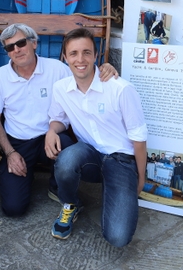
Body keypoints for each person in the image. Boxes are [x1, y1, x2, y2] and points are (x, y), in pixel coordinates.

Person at [0, 23, 117, 217]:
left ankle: (58, 186)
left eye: (21, 43)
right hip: (18, 143)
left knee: (66, 146)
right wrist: (9, 153)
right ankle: (21, 175)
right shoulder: (0, 77)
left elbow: (84, 75)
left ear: (34, 44)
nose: (16, 50)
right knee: (13, 208)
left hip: (51, 135)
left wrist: (105, 69)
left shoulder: (56, 69)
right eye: (10, 47)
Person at [45, 28, 147, 247]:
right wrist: (51, 131)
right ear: (64, 57)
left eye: (86, 52)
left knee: (118, 238)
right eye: (73, 53)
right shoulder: (61, 88)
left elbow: (139, 140)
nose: (80, 59)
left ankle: (116, 191)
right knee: (67, 158)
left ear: (95, 55)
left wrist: (140, 180)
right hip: (89, 153)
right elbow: (58, 119)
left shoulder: (120, 89)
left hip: (120, 159)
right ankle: (70, 204)